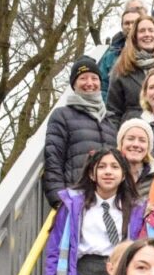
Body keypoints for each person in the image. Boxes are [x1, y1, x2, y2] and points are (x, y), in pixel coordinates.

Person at [35, 146, 143, 275]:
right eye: (102, 167)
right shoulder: (72, 206)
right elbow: (55, 255)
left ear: (123, 175)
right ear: (92, 174)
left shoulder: (137, 210)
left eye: (115, 167)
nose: (108, 172)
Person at [43, 55, 118, 206]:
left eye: (94, 78)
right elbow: (53, 159)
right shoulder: (62, 115)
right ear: (74, 85)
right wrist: (59, 199)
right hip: (76, 200)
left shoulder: (110, 121)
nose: (89, 83)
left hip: (108, 202)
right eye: (83, 78)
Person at [99, 8, 143, 100]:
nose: (130, 26)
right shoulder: (110, 56)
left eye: (134, 23)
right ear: (122, 27)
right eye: (127, 23)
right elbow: (103, 87)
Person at [117, 118, 154, 199]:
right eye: (130, 139)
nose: (136, 144)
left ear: (148, 147)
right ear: (121, 143)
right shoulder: (109, 175)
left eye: (142, 140)